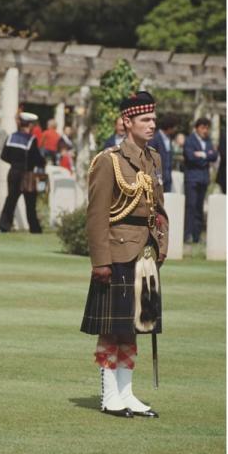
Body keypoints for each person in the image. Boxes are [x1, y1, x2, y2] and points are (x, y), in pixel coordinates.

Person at [80, 91, 168, 419]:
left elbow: (159, 208)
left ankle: (127, 392)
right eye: (145, 120)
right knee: (112, 327)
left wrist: (162, 243)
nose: (152, 125)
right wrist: (100, 260)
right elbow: (97, 214)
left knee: (135, 325)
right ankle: (109, 394)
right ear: (127, 122)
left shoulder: (154, 158)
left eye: (154, 119)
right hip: (117, 252)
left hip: (145, 252)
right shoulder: (110, 160)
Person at [0, 111, 46, 233]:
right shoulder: (31, 139)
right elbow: (36, 158)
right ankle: (34, 228)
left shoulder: (11, 137)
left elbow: (4, 156)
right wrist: (43, 161)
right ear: (29, 125)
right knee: (30, 203)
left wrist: (15, 163)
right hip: (27, 175)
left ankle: (3, 226)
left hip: (13, 172)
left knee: (11, 200)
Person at [182, 117, 218, 244]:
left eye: (207, 128)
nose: (205, 130)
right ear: (197, 128)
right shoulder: (189, 140)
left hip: (203, 179)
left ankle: (197, 236)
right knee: (190, 207)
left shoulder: (208, 141)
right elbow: (190, 157)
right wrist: (206, 155)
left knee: (199, 208)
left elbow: (214, 156)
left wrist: (202, 155)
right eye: (203, 127)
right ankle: (187, 235)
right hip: (192, 179)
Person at [148, 114, 178, 192]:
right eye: (174, 127)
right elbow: (151, 159)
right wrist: (157, 176)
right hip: (157, 178)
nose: (175, 129)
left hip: (167, 179)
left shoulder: (169, 139)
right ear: (169, 127)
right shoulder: (154, 138)